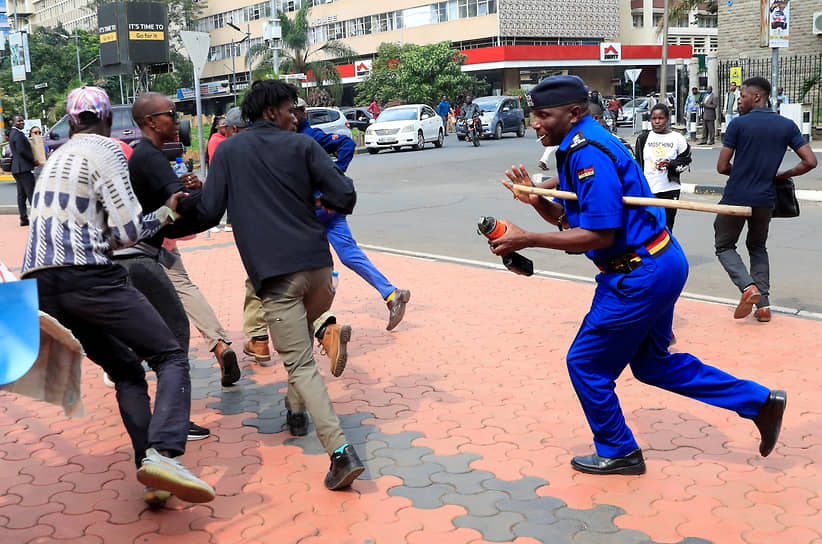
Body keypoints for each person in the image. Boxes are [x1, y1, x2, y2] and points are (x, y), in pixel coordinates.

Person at [491, 74, 787, 475]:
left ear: (573, 112)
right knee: (651, 364)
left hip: (638, 274)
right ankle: (759, 402)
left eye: (543, 115)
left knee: (586, 365)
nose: (535, 124)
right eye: (534, 115)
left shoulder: (587, 152)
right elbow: (572, 220)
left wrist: (527, 240)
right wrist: (536, 202)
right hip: (657, 261)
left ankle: (619, 451)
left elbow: (599, 234)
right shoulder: (585, 141)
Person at [20, 86, 215, 506]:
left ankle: (153, 472)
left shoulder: (55, 159)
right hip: (88, 279)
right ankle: (164, 453)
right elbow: (127, 233)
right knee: (169, 355)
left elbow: (99, 236)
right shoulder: (107, 151)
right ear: (108, 119)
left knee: (127, 370)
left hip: (41, 287)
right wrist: (167, 211)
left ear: (71, 122)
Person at [194, 80, 365, 490]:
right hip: (320, 273)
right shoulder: (304, 147)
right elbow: (345, 195)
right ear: (271, 111)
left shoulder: (230, 150)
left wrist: (167, 213)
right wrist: (320, 201)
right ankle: (295, 410)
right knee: (299, 340)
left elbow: (208, 212)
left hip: (276, 279)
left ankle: (341, 453)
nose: (297, 116)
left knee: (300, 363)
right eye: (291, 108)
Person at [242, 98, 411, 365]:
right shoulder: (290, 139)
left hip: (316, 211)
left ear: (300, 113)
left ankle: (320, 326)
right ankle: (390, 294)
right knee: (347, 255)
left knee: (303, 266)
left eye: (293, 111)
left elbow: (346, 143)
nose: (292, 117)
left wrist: (334, 173)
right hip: (327, 209)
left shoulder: (308, 137)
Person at [113, 92, 214, 441]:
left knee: (149, 340)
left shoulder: (150, 155)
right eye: (171, 114)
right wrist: (215, 192)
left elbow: (176, 206)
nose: (178, 119)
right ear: (151, 122)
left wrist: (199, 191)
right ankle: (172, 422)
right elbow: (180, 207)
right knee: (175, 339)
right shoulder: (149, 156)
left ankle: (155, 417)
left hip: (136, 257)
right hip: (139, 259)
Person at [715, 77, 817, 323]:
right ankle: (763, 307)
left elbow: (721, 167)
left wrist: (741, 172)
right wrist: (782, 175)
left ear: (757, 97)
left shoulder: (738, 125)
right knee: (758, 247)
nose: (740, 101)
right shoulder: (787, 126)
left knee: (724, 245)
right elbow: (810, 161)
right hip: (765, 199)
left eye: (743, 96)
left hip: (736, 197)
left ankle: (748, 288)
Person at [634, 103, 691, 230]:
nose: (657, 122)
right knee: (647, 228)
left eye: (661, 118)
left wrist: (671, 164)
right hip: (648, 191)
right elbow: (637, 164)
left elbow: (686, 162)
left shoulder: (677, 138)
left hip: (669, 191)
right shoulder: (643, 139)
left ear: (667, 119)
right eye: (654, 119)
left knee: (666, 228)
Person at [9, 114, 37, 226]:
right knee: (31, 193)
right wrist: (33, 159)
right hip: (24, 168)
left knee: (21, 195)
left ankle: (23, 218)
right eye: (19, 121)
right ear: (14, 122)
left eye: (22, 121)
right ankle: (36, 218)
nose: (22, 123)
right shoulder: (18, 135)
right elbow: (21, 150)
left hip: (17, 169)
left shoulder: (12, 133)